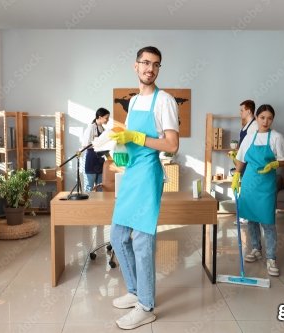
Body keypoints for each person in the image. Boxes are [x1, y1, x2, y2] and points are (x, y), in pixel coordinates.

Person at [109, 46, 179, 330]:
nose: (150, 68)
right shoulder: (135, 101)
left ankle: (146, 306)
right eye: (146, 63)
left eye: (156, 65)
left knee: (141, 240)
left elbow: (172, 145)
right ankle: (136, 290)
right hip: (131, 174)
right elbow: (128, 139)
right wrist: (120, 148)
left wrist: (138, 137)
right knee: (117, 235)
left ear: (158, 70)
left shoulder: (165, 100)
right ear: (135, 66)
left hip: (149, 173)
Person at [231, 104, 284, 276]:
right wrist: (236, 176)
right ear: (256, 118)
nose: (266, 121)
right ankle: (256, 249)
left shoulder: (277, 137)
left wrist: (275, 163)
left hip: (266, 184)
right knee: (252, 219)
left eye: (269, 118)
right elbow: (241, 159)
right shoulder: (249, 137)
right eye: (262, 117)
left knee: (268, 221)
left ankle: (271, 257)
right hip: (249, 181)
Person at [230, 99, 258, 225]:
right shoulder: (246, 125)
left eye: (242, 110)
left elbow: (252, 147)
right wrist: (236, 154)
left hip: (249, 162)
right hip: (243, 161)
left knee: (248, 190)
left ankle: (247, 216)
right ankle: (246, 215)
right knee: (245, 189)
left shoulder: (254, 126)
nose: (240, 112)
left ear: (249, 111)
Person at [81, 107, 110, 192]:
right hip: (91, 159)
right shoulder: (90, 128)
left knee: (100, 186)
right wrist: (97, 143)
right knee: (89, 186)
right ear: (100, 117)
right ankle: (88, 205)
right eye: (106, 118)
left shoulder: (103, 129)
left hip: (100, 160)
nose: (107, 120)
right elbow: (85, 145)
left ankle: (99, 205)